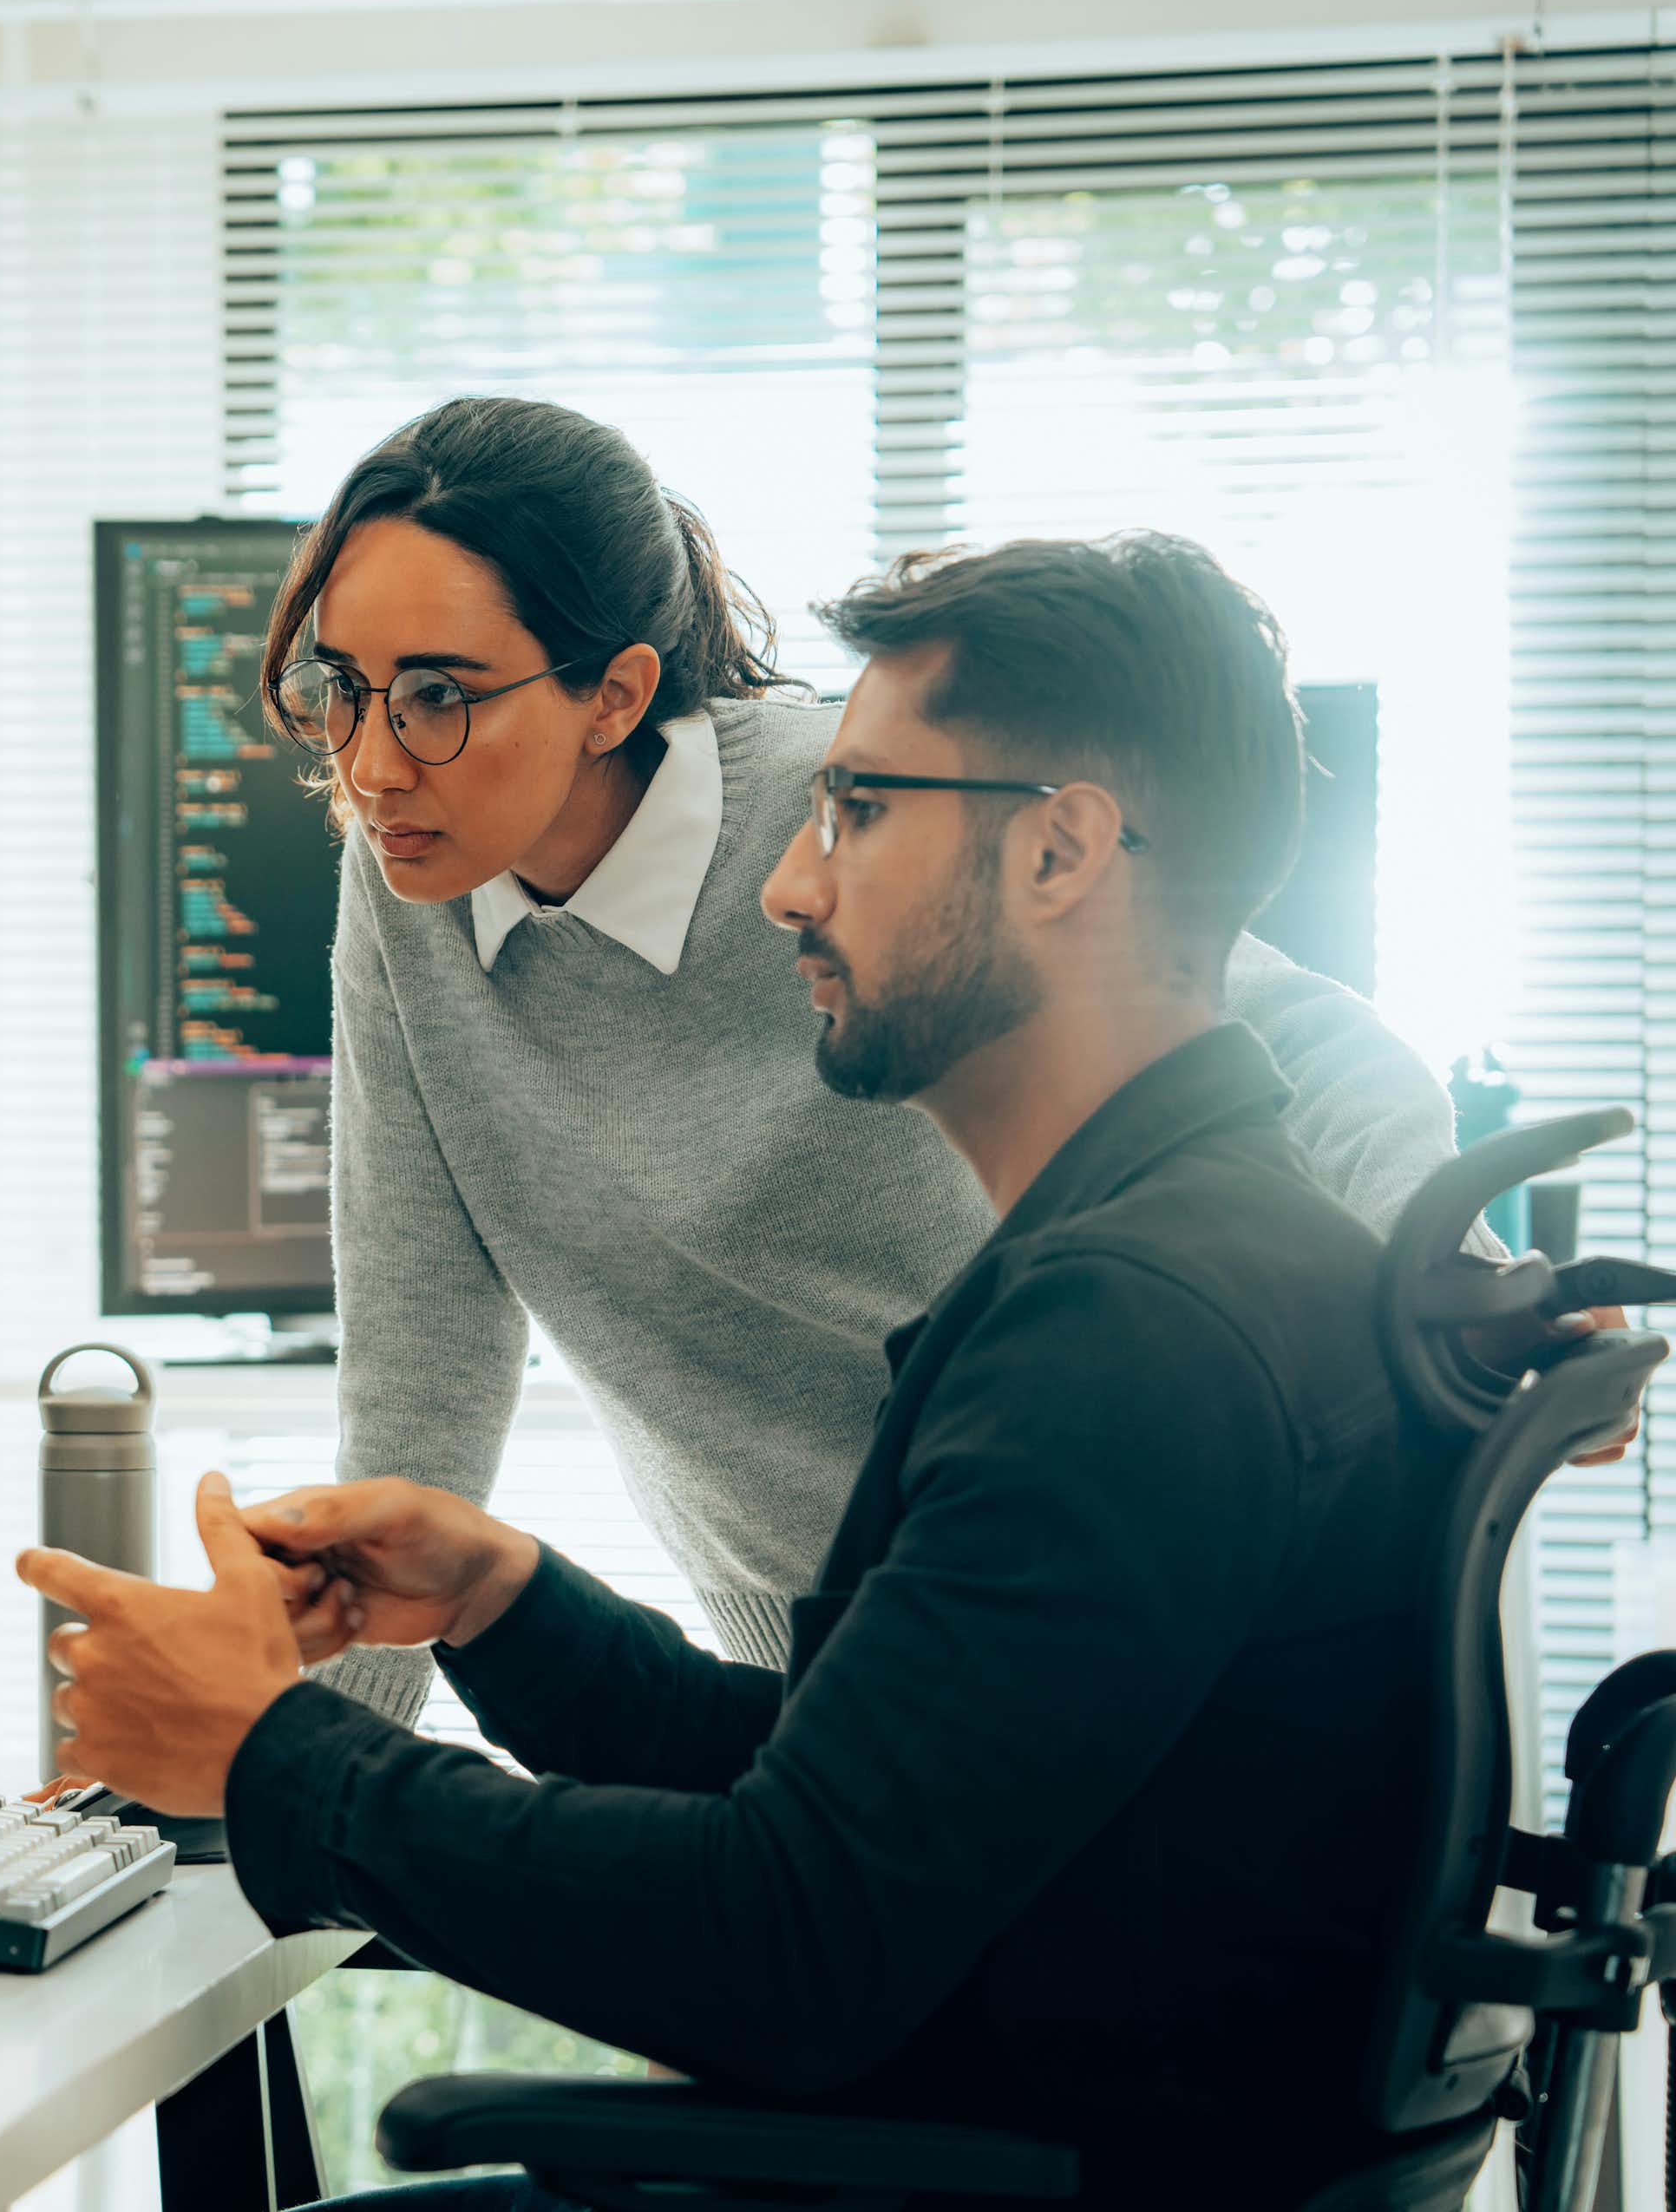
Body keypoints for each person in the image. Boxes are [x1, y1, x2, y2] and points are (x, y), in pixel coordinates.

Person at [20, 535, 1506, 2209]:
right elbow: (852, 1797)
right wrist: (512, 1607)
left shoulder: (1125, 1336)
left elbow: (785, 1938)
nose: (793, 883)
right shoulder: (1182, 1263)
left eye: (857, 810)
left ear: (1064, 849)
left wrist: (266, 1759)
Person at [274, 395, 1490, 1727]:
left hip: (1082, 1603)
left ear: (615, 693)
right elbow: (419, 1373)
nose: (373, 762)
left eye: (440, 695)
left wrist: (1438, 1272)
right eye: (343, 688)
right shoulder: (405, 884)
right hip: (797, 1664)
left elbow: (1283, 1033)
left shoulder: (857, 808)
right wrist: (294, 1784)